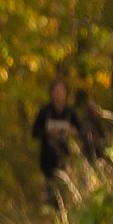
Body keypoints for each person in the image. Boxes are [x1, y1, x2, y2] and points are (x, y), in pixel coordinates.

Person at [30, 77, 91, 207]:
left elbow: (83, 133)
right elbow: (34, 132)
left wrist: (72, 131)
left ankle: (65, 209)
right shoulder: (44, 112)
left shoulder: (71, 113)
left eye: (61, 91)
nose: (58, 94)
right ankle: (53, 210)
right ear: (51, 93)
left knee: (65, 185)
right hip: (47, 156)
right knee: (52, 187)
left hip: (66, 156)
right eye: (56, 91)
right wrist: (48, 132)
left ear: (66, 94)